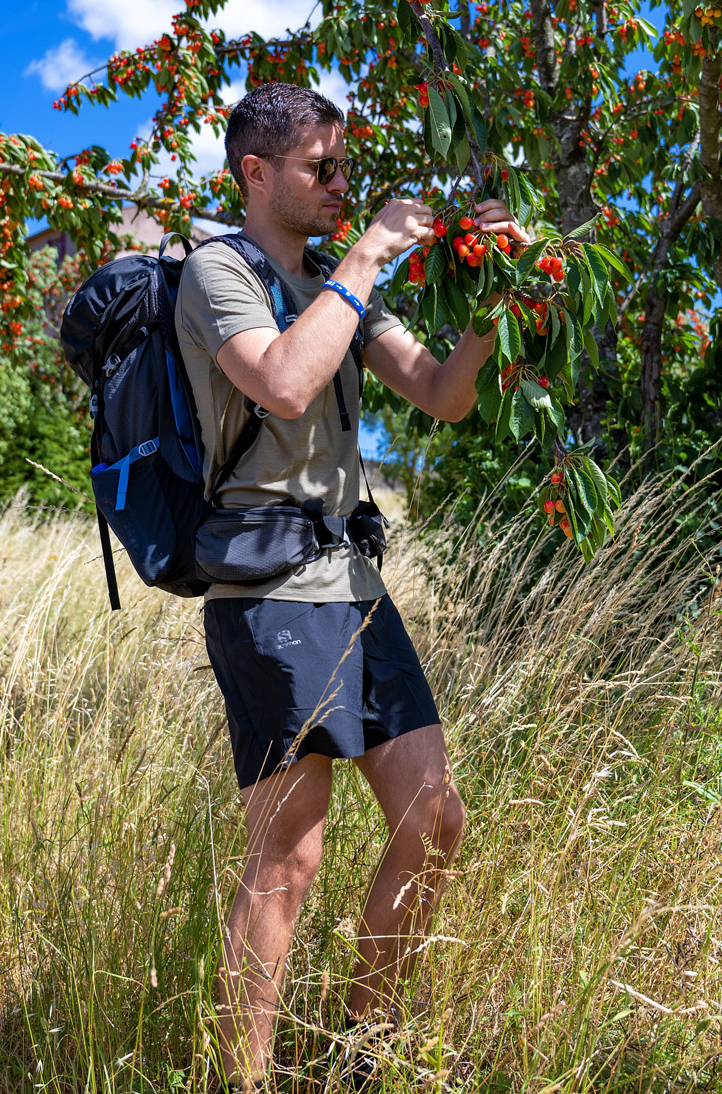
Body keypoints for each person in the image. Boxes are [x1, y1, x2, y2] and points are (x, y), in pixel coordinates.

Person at [175, 81, 531, 1089]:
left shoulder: (333, 286)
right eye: (318, 168)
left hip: (355, 586)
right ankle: (240, 1078)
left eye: (344, 167)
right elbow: (283, 381)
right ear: (256, 172)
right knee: (288, 860)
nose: (340, 184)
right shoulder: (218, 272)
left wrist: (493, 302)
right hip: (267, 592)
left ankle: (357, 1050)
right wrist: (370, 253)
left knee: (434, 821)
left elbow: (438, 394)